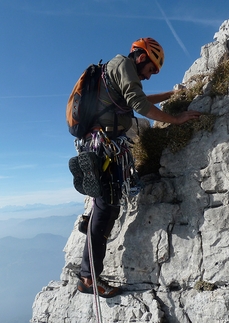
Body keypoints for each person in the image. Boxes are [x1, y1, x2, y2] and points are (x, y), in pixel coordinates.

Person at [72, 37, 201, 298]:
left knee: (107, 205)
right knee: (107, 209)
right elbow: (140, 105)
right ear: (141, 57)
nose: (151, 76)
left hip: (98, 145)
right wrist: (175, 119)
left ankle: (91, 221)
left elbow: (135, 99)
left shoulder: (117, 69)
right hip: (104, 145)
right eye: (152, 69)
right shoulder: (123, 64)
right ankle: (88, 278)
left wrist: (171, 95)